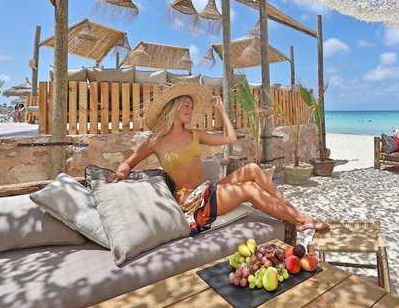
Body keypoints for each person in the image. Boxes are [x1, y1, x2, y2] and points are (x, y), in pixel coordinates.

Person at [109, 83, 330, 236]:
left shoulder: (195, 134)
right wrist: (121, 172)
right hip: (193, 200)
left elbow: (230, 138)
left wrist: (221, 110)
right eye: (186, 105)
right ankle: (300, 221)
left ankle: (294, 212)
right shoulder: (155, 141)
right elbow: (128, 163)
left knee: (253, 169)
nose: (190, 110)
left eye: (191, 106)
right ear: (173, 108)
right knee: (249, 189)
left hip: (208, 188)